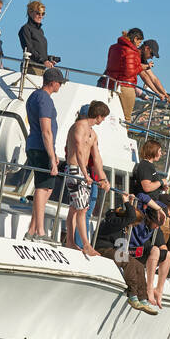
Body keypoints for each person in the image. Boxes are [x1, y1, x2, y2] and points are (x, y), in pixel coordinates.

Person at [64, 100, 111, 257]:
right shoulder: (79, 127)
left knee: (75, 208)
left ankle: (70, 242)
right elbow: (77, 150)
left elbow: (96, 158)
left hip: (83, 174)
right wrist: (85, 174)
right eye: (103, 117)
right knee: (82, 209)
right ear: (98, 116)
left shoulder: (93, 134)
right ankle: (86, 245)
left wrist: (103, 178)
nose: (103, 120)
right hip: (74, 170)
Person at [24, 67, 65, 240]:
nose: (60, 86)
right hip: (41, 148)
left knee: (47, 186)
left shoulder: (33, 96)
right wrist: (52, 157)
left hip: (33, 145)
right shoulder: (45, 100)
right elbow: (46, 131)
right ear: (53, 82)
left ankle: (32, 229)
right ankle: (40, 231)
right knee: (43, 187)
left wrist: (53, 153)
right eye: (60, 83)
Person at [95, 200, 158, 314]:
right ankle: (132, 295)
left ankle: (143, 299)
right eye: (133, 223)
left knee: (138, 265)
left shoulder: (122, 225)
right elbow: (131, 216)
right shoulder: (114, 221)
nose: (132, 226)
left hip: (113, 251)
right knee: (128, 261)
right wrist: (126, 202)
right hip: (102, 249)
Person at [126, 200, 170, 307]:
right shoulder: (141, 217)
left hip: (140, 251)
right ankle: (149, 288)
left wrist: (165, 213)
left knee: (168, 255)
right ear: (151, 218)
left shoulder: (153, 227)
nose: (157, 227)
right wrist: (158, 209)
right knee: (155, 250)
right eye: (157, 224)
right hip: (130, 250)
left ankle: (159, 290)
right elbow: (141, 196)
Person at [101, 28, 145, 121]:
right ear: (135, 39)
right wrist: (142, 67)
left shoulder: (113, 47)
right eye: (139, 42)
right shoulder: (131, 51)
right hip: (126, 86)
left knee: (109, 116)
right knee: (126, 119)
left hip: (110, 84)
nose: (139, 45)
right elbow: (129, 73)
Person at [18, 0, 59, 76]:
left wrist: (49, 59)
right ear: (30, 13)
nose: (41, 16)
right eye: (38, 13)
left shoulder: (40, 31)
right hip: (30, 67)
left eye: (43, 14)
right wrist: (44, 61)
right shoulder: (25, 29)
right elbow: (28, 49)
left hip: (41, 68)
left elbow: (39, 51)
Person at [131, 139, 170, 204]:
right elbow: (147, 187)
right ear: (153, 151)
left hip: (152, 202)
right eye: (159, 151)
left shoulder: (149, 165)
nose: (161, 154)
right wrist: (161, 182)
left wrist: (161, 187)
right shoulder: (145, 166)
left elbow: (150, 186)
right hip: (147, 205)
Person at [137, 39, 170, 104]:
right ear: (146, 48)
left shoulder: (142, 59)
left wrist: (166, 95)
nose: (151, 57)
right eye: (151, 54)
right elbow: (144, 76)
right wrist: (157, 93)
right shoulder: (136, 55)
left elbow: (154, 78)